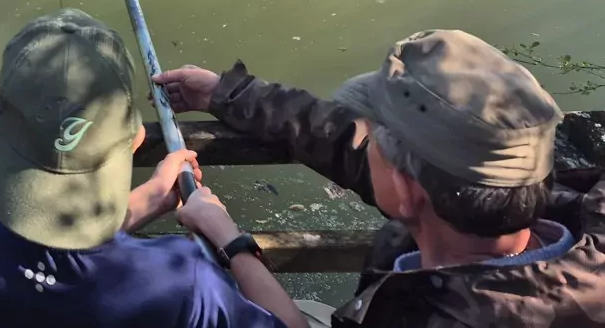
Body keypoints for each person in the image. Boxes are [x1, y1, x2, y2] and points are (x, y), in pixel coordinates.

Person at [156, 29, 605, 326]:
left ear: (409, 191)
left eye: (379, 140)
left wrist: (232, 242)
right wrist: (229, 94)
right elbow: (352, 146)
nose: (366, 142)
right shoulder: (565, 208)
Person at [0, 8, 307, 328]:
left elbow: (50, 265)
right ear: (135, 138)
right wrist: (231, 241)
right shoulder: (183, 284)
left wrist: (148, 200)